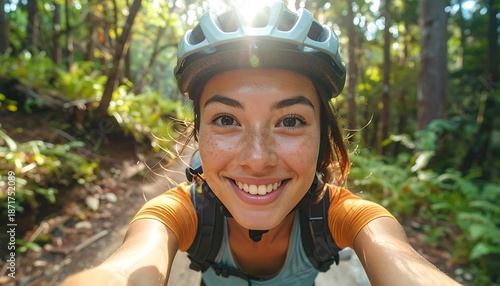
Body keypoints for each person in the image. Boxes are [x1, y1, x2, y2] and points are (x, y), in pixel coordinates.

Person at [62, 1, 460, 285]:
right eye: (225, 119)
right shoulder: (181, 211)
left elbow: (403, 263)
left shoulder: (342, 215)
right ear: (198, 135)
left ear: (323, 138)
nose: (256, 160)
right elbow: (126, 268)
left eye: (289, 121)